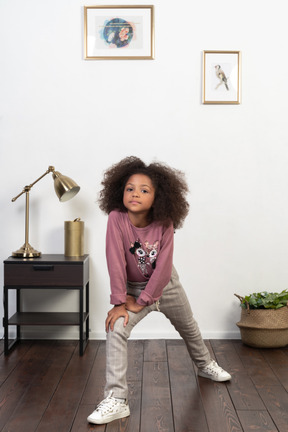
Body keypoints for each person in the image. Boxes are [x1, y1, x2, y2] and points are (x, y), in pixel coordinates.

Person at [87, 156, 231, 425]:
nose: (135, 194)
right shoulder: (117, 219)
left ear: (158, 197)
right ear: (120, 191)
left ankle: (204, 365)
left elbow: (163, 268)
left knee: (188, 325)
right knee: (115, 328)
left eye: (144, 190)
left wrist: (144, 300)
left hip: (165, 286)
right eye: (130, 188)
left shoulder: (164, 222)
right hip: (130, 289)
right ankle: (117, 399)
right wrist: (120, 301)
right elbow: (115, 261)